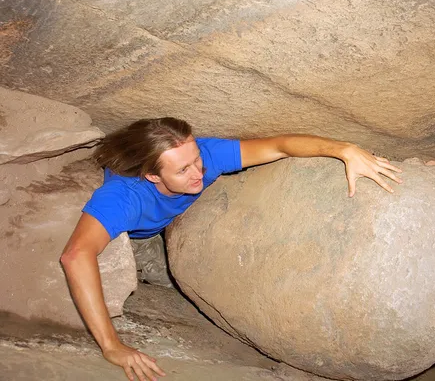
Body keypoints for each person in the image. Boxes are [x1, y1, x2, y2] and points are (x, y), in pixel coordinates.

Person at [60, 117, 402, 381]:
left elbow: (281, 145)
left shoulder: (204, 156)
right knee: (160, 278)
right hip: (135, 236)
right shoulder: (123, 198)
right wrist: (112, 346)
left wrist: (344, 149)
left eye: (196, 159)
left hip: (171, 223)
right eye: (183, 169)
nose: (200, 172)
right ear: (152, 176)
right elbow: (76, 255)